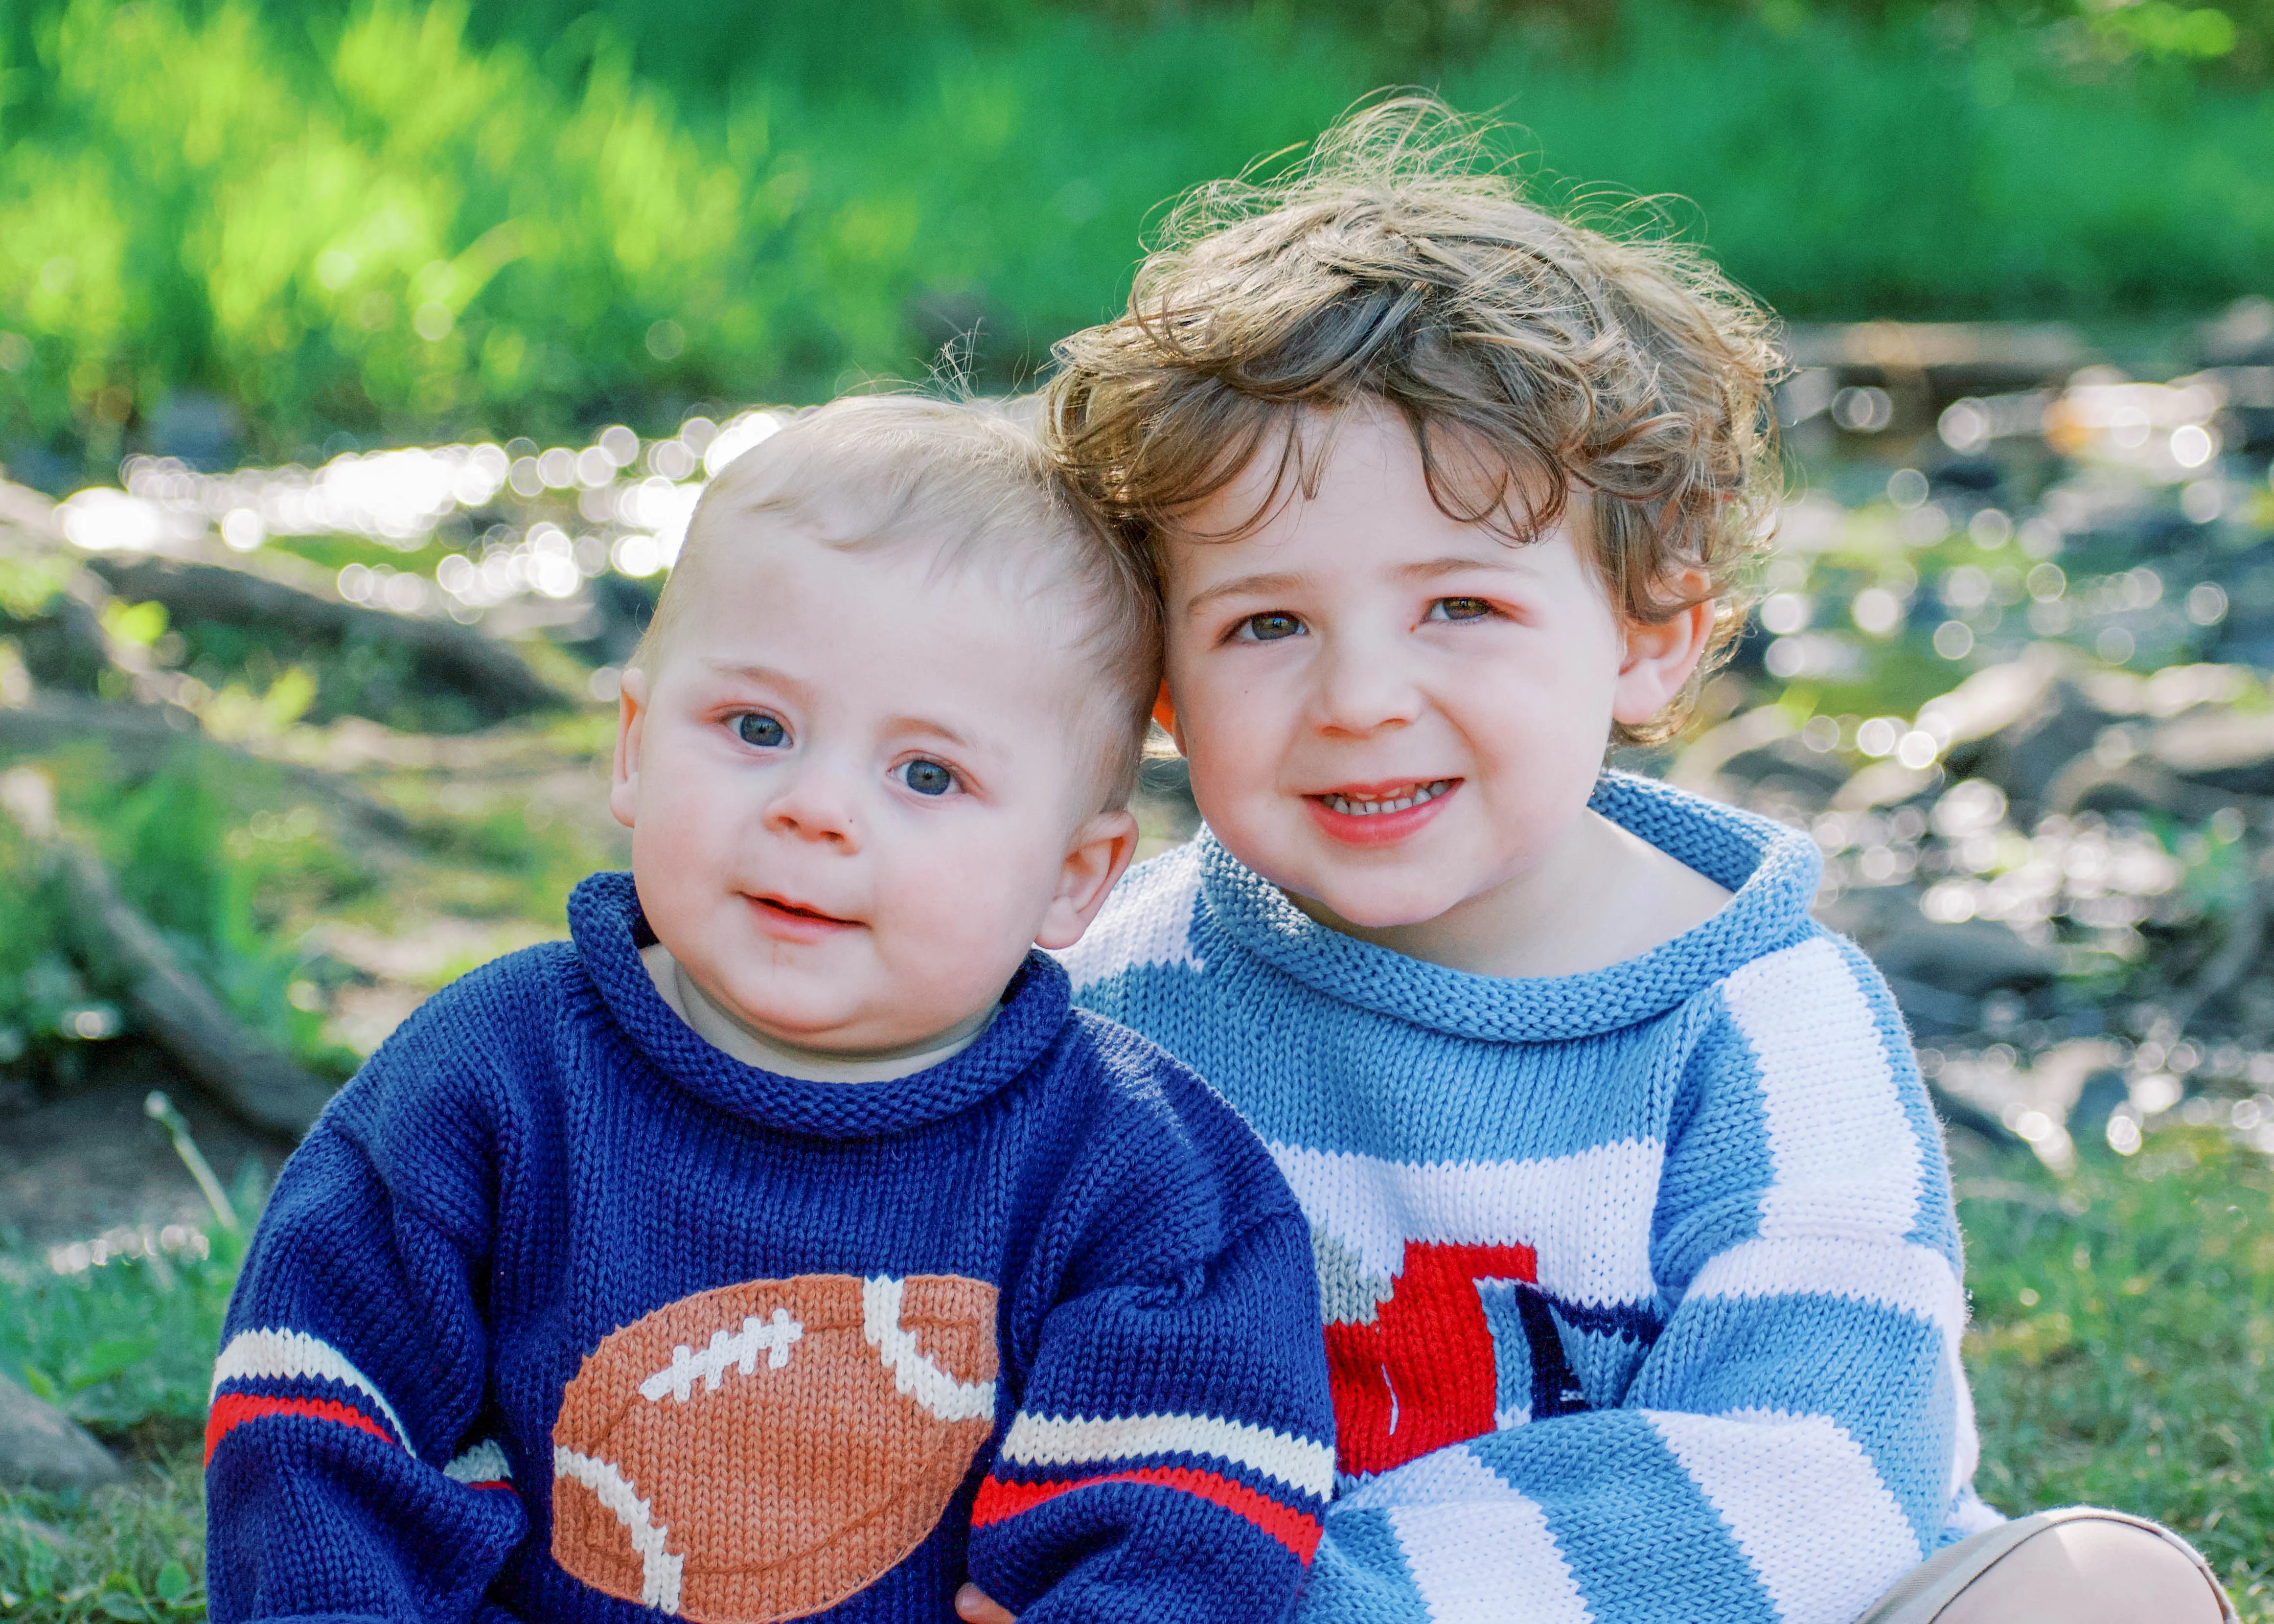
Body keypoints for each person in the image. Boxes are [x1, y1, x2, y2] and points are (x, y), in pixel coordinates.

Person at [963, 99, 2234, 1624]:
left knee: (2096, 1591)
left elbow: (1820, 1473)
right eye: (1266, 624)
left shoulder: (1765, 1022)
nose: (1361, 696)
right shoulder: (1125, 995)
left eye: (1460, 608)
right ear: (1160, 687)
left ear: (1647, 637)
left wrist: (1286, 1603)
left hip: (1706, 1591)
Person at [202, 397, 1336, 1624]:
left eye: (926, 774)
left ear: (1073, 876)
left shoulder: (1134, 1173)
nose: (817, 809)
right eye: (758, 728)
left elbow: (1190, 1513)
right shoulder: (489, 1083)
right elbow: (318, 1418)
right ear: (633, 746)